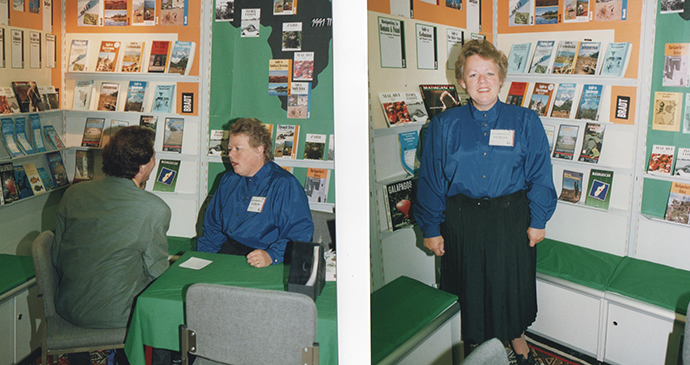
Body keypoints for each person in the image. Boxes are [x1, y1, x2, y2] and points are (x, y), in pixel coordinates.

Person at [414, 40, 557, 365]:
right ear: (462, 81)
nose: (482, 81)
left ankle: (518, 343)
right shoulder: (443, 126)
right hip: (462, 222)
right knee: (470, 288)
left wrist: (539, 220)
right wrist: (431, 227)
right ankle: (475, 352)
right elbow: (432, 180)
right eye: (473, 74)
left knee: (512, 286)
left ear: (501, 77)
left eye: (489, 73)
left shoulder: (525, 121)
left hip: (511, 220)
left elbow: (540, 173)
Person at [53, 126, 170, 364]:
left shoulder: (73, 195)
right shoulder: (154, 209)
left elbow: (56, 257)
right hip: (116, 316)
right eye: (153, 157)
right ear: (143, 167)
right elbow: (157, 272)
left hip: (67, 306)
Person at [197, 118, 314, 267]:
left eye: (238, 149)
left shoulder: (284, 185)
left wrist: (272, 256)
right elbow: (212, 227)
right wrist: (204, 258)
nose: (230, 155)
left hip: (266, 258)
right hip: (229, 253)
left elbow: (300, 233)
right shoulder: (228, 180)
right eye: (229, 149)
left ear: (259, 150)